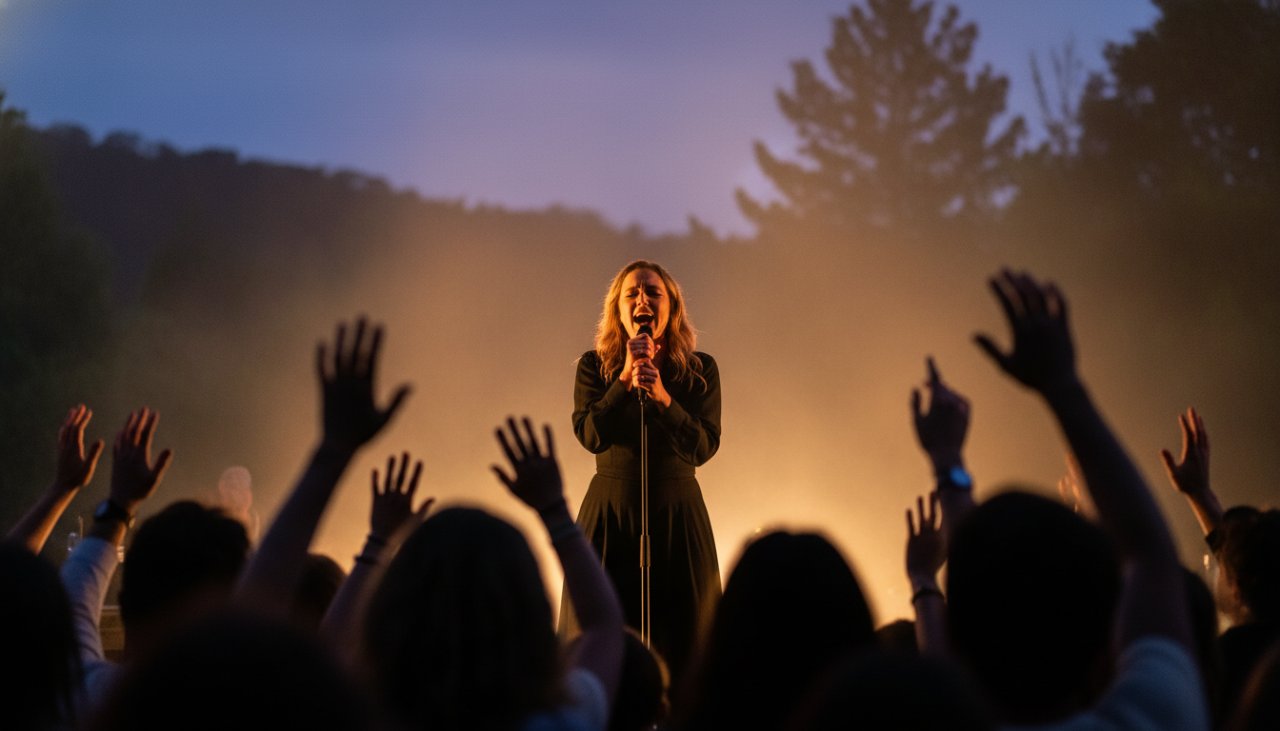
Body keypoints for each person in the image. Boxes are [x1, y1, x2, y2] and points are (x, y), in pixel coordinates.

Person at [563, 259, 721, 685]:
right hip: (610, 517)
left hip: (677, 518)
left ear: (671, 308)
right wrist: (625, 383)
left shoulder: (700, 371)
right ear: (618, 310)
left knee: (685, 640)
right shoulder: (593, 368)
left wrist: (665, 399)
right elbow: (591, 435)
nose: (642, 301)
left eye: (653, 293)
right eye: (632, 293)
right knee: (603, 636)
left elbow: (704, 447)